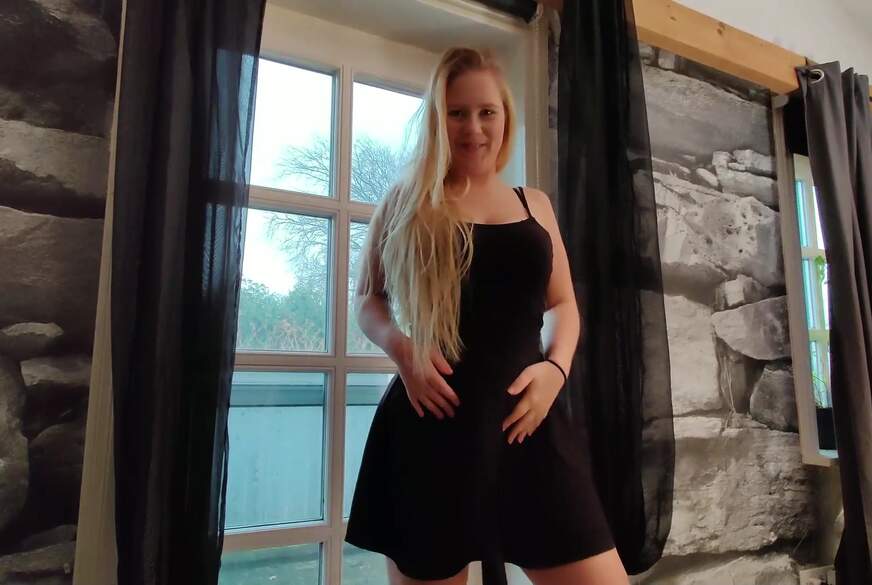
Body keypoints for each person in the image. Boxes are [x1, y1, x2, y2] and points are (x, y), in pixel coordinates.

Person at [344, 47, 630, 585]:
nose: (473, 127)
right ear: (438, 119)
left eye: (486, 112)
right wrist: (403, 350)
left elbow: (563, 304)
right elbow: (366, 299)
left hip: (530, 424)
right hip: (432, 426)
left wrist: (556, 371)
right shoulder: (406, 200)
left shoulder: (534, 204)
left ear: (505, 117)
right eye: (457, 112)